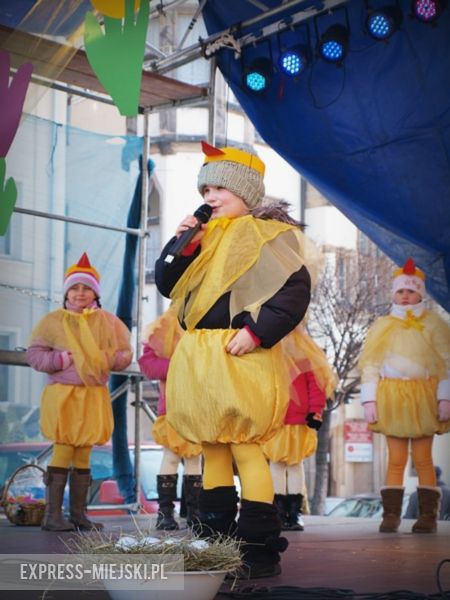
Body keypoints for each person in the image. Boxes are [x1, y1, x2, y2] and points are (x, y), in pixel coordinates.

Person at [155, 140, 312, 578]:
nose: (210, 196)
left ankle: (258, 546)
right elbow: (167, 283)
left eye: (220, 188)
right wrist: (181, 241)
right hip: (201, 353)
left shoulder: (268, 237)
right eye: (206, 189)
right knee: (212, 446)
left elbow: (294, 290)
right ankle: (215, 541)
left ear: (246, 192)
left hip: (241, 350)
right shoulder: (202, 238)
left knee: (244, 445)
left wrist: (257, 332)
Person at [26, 252, 133, 532]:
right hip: (64, 394)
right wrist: (60, 360)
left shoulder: (108, 322)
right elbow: (35, 355)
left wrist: (107, 358)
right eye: (74, 287)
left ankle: (78, 514)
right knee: (64, 447)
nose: (80, 293)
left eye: (86, 288)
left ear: (95, 293)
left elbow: (124, 352)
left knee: (84, 450)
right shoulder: (53, 321)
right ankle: (52, 516)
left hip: (93, 394)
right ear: (66, 292)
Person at [358, 257, 450, 534]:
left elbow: (446, 362)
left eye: (411, 291)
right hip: (393, 396)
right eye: (400, 291)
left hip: (423, 394)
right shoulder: (383, 325)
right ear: (394, 294)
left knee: (423, 457)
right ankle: (391, 515)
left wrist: (444, 397)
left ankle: (427, 516)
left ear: (420, 293)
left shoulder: (434, 325)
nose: (406, 296)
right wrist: (369, 400)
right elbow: (371, 365)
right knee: (395, 458)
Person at [263, 329, 336, 531]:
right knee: (278, 464)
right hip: (276, 419)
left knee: (293, 464)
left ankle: (293, 513)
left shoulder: (305, 355)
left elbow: (316, 385)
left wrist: (315, 411)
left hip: (298, 420)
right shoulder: (270, 354)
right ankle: (278, 511)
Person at [138, 309, 203, 530]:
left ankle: (194, 512)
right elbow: (147, 362)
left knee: (195, 458)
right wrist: (178, 367)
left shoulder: (206, 322)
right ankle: (165, 512)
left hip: (200, 405)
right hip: (173, 405)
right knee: (172, 455)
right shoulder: (163, 328)